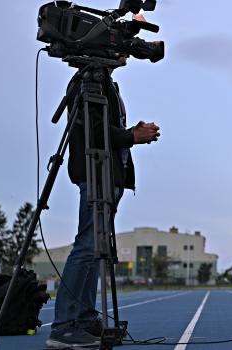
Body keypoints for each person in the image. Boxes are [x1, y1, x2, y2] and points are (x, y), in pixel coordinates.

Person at [47, 15, 161, 350]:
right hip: (95, 172)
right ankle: (65, 325)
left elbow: (101, 130)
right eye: (117, 45)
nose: (125, 52)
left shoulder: (106, 84)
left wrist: (129, 134)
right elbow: (93, 134)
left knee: (95, 249)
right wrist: (132, 136)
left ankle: (83, 318)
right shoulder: (88, 81)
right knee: (86, 247)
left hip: (108, 173)